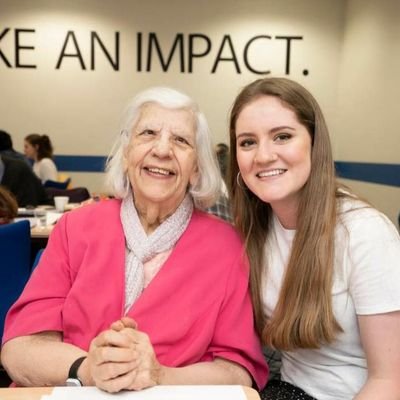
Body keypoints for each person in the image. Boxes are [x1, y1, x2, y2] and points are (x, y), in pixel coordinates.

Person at [1, 87, 268, 392]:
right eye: (148, 133)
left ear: (196, 169)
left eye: (181, 140)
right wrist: (87, 369)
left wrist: (159, 375)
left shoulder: (227, 247)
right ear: (126, 155)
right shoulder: (75, 228)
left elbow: (237, 372)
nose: (163, 150)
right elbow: (20, 348)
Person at [228, 77, 400, 400]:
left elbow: (389, 382)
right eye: (248, 142)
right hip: (285, 391)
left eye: (282, 136)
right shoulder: (255, 228)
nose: (263, 156)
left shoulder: (365, 233)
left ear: (314, 142)